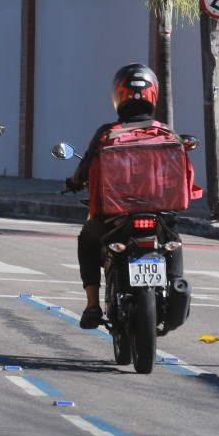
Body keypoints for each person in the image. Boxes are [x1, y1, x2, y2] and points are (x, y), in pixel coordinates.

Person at [65, 63, 187, 329]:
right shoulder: (166, 133)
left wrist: (74, 181)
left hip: (115, 217)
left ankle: (92, 305)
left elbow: (83, 169)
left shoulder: (107, 134)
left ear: (118, 96)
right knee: (174, 241)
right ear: (153, 94)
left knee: (87, 240)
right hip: (159, 214)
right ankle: (176, 281)